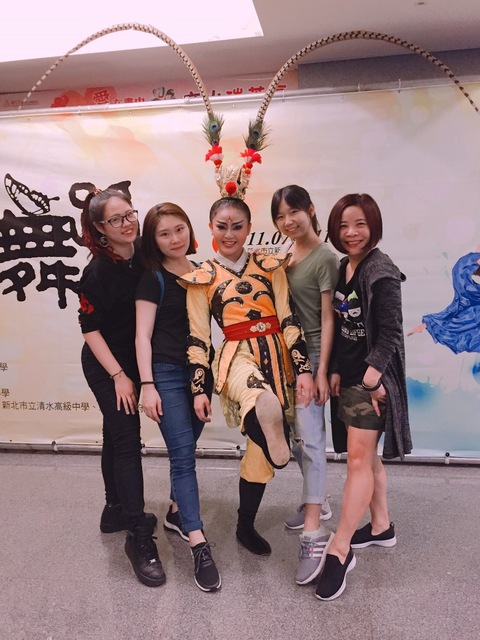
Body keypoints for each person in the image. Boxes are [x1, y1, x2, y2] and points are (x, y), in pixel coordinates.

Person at [179, 196, 315, 557]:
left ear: (249, 228)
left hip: (278, 355)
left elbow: (289, 319)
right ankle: (268, 417)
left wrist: (302, 369)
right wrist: (198, 389)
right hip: (236, 354)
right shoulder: (201, 277)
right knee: (256, 394)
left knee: (259, 453)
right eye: (222, 226)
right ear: (210, 228)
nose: (229, 234)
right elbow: (198, 338)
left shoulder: (270, 266)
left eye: (237, 226)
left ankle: (245, 525)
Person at [315, 193, 412, 601]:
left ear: (373, 225)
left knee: (357, 461)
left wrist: (373, 378)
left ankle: (340, 550)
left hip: (370, 384)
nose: (351, 233)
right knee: (366, 458)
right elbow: (343, 324)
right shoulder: (344, 267)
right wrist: (337, 367)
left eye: (360, 224)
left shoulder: (381, 271)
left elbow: (391, 332)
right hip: (351, 375)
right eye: (343, 226)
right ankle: (380, 526)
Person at [77, 188, 165, 587]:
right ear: (99, 228)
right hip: (106, 364)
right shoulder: (97, 272)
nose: (127, 223)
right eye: (116, 219)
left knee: (114, 435)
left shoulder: (145, 252)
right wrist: (119, 376)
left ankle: (114, 509)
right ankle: (138, 535)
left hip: (134, 359)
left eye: (130, 214)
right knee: (128, 440)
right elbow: (89, 330)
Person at [135, 202, 221, 592]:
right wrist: (147, 384)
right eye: (164, 233)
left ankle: (175, 512)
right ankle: (198, 543)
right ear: (153, 240)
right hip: (167, 374)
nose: (174, 239)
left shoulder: (203, 271)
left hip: (201, 375)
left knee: (188, 445)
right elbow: (142, 336)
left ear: (190, 229)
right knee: (183, 458)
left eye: (179, 229)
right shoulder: (152, 278)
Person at [271, 185, 340, 585]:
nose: (287, 221)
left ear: (311, 210)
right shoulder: (287, 254)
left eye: (294, 212)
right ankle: (320, 499)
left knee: (311, 440)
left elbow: (329, 318)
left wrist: (320, 370)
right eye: (280, 216)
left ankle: (314, 534)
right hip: (287, 357)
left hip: (312, 356)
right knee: (290, 438)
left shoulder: (325, 258)